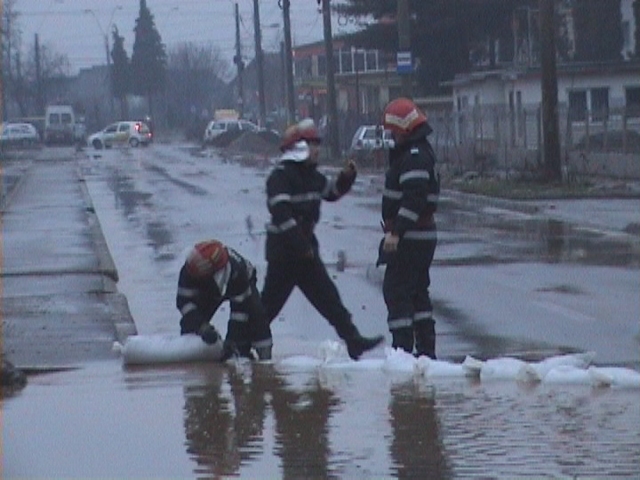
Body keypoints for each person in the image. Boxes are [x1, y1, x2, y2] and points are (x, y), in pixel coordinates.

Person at [261, 118, 384, 360]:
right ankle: (240, 344)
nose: (317, 150)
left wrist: (346, 178)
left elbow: (332, 193)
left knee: (329, 299)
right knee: (267, 308)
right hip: (284, 255)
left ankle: (353, 341)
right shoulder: (280, 177)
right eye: (312, 144)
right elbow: (282, 216)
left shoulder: (312, 176)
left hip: (305, 252)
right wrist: (300, 246)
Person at [380, 98, 440, 359]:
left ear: (404, 129)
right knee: (417, 293)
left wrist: (396, 233)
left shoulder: (415, 157)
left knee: (397, 291)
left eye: (393, 131)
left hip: (410, 238)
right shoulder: (418, 153)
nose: (391, 136)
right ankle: (425, 352)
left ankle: (402, 352)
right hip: (419, 236)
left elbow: (413, 199)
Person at [176, 239, 273, 361]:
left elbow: (239, 314)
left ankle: (262, 358)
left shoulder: (238, 273)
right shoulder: (189, 271)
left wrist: (231, 342)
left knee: (257, 318)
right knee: (189, 325)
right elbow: (183, 303)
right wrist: (202, 327)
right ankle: (196, 355)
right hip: (210, 289)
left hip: (244, 283)